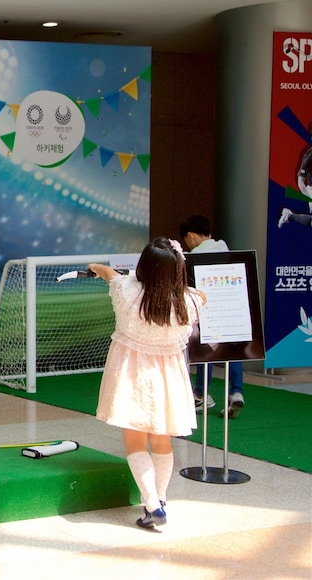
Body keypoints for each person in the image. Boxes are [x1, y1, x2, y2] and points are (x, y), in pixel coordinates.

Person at [89, 237, 205, 530]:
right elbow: (199, 295)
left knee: (135, 441)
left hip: (132, 375)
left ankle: (152, 504)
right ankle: (160, 499)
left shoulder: (127, 291)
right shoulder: (188, 302)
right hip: (170, 378)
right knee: (162, 440)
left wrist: (94, 267)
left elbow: (108, 273)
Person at [178, 214, 246, 418]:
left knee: (206, 352)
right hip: (232, 309)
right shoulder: (227, 251)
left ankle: (201, 394)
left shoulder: (193, 257)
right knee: (232, 352)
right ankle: (236, 391)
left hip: (207, 312)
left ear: (191, 236)